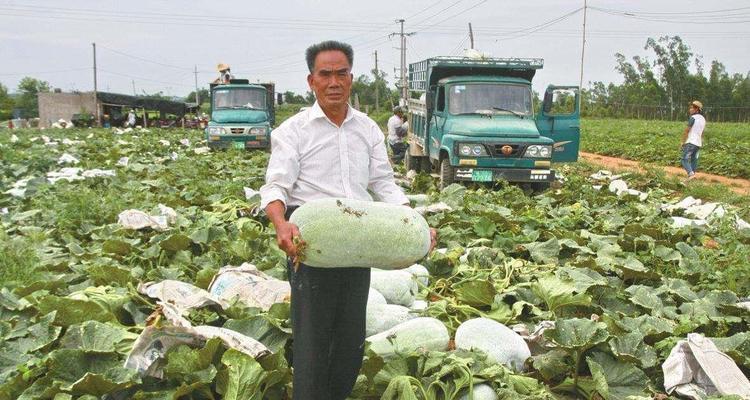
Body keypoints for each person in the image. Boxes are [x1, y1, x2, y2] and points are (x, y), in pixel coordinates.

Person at [259, 40, 436, 400]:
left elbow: (383, 184)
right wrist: (281, 224)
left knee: (350, 336)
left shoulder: (368, 128)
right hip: (309, 240)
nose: (334, 81)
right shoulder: (293, 131)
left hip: (357, 240)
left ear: (352, 79)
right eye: (325, 74)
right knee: (313, 338)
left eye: (341, 73)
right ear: (312, 80)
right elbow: (275, 186)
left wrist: (414, 221)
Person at [680, 100, 706, 182]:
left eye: (691, 108)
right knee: (694, 159)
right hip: (698, 143)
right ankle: (692, 177)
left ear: (697, 109)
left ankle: (691, 174)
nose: (690, 109)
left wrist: (683, 142)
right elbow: (702, 132)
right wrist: (701, 141)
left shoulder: (693, 118)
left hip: (691, 142)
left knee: (684, 159)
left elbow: (687, 130)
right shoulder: (703, 119)